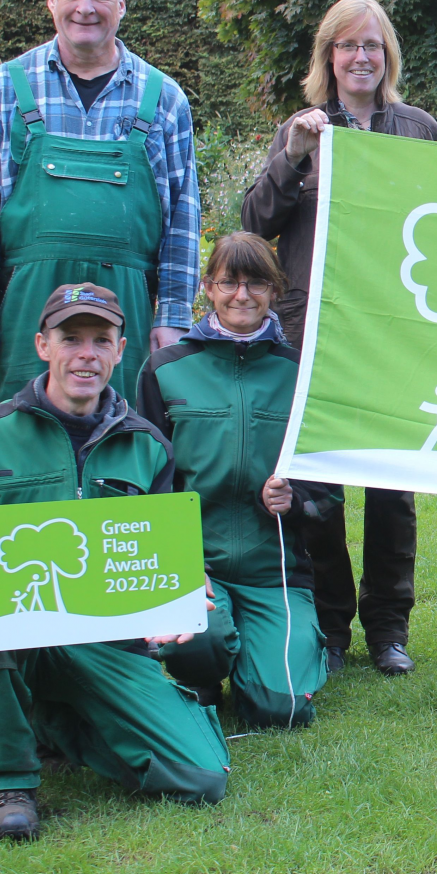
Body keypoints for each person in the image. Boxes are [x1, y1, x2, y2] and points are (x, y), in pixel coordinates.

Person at [0, 283, 228, 842]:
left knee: (200, 779)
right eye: (71, 338)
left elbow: (153, 558)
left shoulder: (148, 444)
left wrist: (181, 586)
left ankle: (60, 724)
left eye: (100, 340)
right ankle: (9, 782)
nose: (86, 353)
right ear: (42, 345)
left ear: (119, 350)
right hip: (16, 637)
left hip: (103, 642)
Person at [242, 0, 437, 677]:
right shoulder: (300, 130)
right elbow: (255, 224)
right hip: (315, 335)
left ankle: (389, 628)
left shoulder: (418, 131)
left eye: (373, 45)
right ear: (327, 57)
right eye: (347, 45)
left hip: (395, 337)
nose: (361, 57)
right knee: (317, 489)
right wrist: (291, 158)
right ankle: (330, 627)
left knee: (394, 487)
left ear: (387, 56)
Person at [0, 0, 200, 404]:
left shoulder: (164, 98)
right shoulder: (6, 87)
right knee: (24, 435)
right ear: (51, 1)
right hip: (29, 304)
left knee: (126, 438)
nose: (85, 8)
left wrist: (173, 314)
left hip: (127, 302)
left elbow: (182, 217)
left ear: (121, 6)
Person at [135, 233, 327, 728]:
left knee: (279, 709)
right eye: (229, 282)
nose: (242, 295)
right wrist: (174, 562)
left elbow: (327, 490)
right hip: (196, 566)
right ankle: (199, 670)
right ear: (208, 288)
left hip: (274, 570)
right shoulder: (165, 369)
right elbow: (144, 482)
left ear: (275, 290)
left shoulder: (301, 373)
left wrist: (296, 498)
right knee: (200, 644)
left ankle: (266, 657)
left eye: (256, 283)